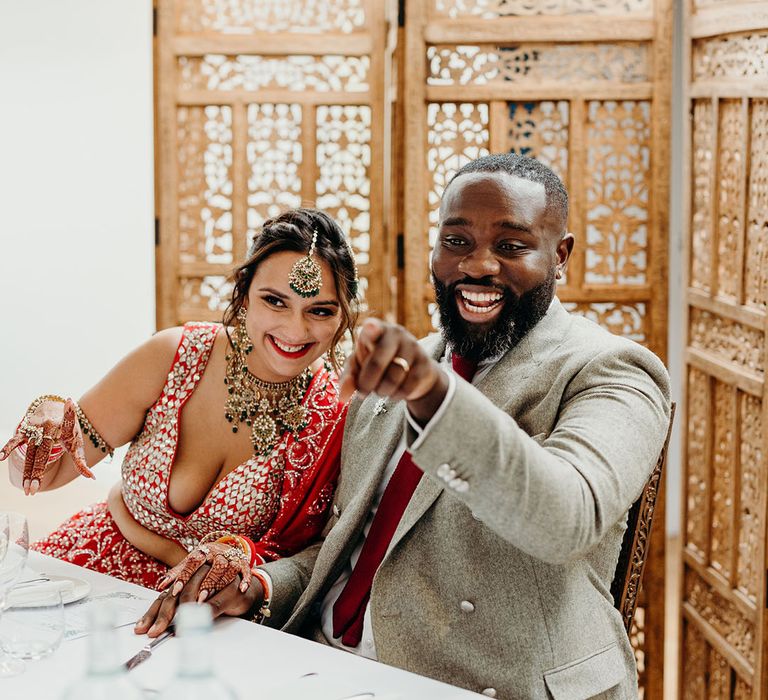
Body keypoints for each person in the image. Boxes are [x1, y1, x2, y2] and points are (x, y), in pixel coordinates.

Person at [138, 154, 670, 699]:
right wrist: (257, 585)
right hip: (316, 660)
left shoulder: (613, 369)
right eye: (457, 241)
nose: (478, 266)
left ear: (560, 256)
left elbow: (567, 519)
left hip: (477, 683)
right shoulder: (411, 363)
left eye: (511, 246)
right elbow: (347, 544)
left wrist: (433, 395)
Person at [0, 208, 359, 594]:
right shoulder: (176, 357)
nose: (295, 329)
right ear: (244, 295)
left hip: (204, 614)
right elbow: (37, 479)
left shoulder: (334, 415)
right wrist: (42, 429)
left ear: (343, 316)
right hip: (85, 576)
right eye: (274, 301)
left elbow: (311, 562)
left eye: (320, 310)